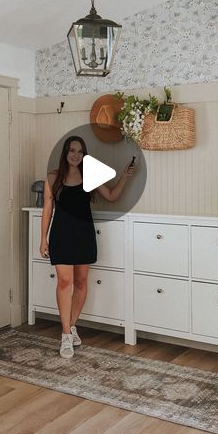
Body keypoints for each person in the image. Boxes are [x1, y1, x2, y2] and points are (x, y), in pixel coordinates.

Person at [40, 135, 135, 359]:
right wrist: (43, 239)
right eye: (72, 151)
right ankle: (65, 335)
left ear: (84, 155)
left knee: (81, 282)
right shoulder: (53, 177)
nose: (76, 155)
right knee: (65, 282)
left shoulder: (89, 175)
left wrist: (124, 177)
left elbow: (111, 196)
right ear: (65, 152)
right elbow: (47, 210)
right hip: (61, 234)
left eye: (80, 151)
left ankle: (71, 326)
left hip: (83, 234)